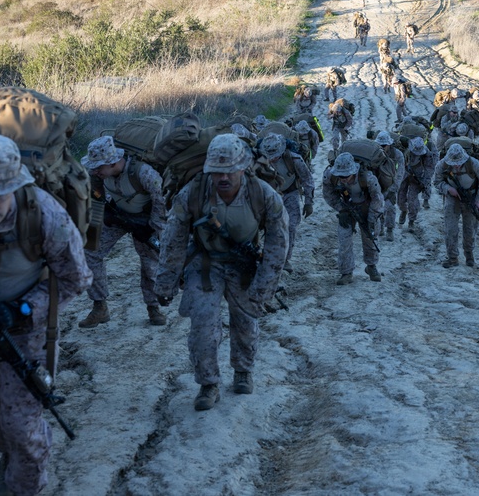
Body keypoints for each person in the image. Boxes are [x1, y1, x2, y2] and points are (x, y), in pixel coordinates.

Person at [0, 134, 91, 495]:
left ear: (17, 186)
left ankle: (26, 469)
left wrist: (20, 310)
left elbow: (75, 279)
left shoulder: (43, 213)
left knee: (22, 427)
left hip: (22, 326)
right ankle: (19, 453)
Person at [153, 135, 288, 409]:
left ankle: (242, 370)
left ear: (243, 168)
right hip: (205, 263)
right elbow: (173, 238)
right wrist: (165, 282)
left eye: (229, 171)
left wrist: (265, 287)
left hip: (244, 265)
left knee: (245, 322)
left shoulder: (263, 195)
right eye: (216, 171)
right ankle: (208, 383)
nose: (223, 177)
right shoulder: (193, 192)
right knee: (202, 324)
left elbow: (278, 243)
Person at [80, 135, 167, 328]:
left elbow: (161, 198)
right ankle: (99, 307)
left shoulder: (143, 173)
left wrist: (155, 229)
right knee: (90, 252)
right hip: (118, 217)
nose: (94, 170)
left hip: (145, 223)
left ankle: (154, 309)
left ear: (112, 163)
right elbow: (96, 198)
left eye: (99, 166)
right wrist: (100, 219)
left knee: (149, 264)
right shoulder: (98, 175)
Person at [322, 152, 384, 285]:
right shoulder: (330, 176)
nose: (343, 179)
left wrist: (372, 219)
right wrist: (341, 209)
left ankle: (371, 266)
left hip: (367, 208)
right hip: (346, 208)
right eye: (340, 176)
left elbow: (377, 199)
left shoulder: (368, 178)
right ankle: (346, 272)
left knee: (370, 237)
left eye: (346, 175)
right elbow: (328, 194)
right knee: (344, 239)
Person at [258, 134, 313, 274]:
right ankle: (268, 258)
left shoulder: (294, 159)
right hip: (269, 197)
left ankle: (286, 260)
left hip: (291, 193)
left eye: (275, 156)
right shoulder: (259, 162)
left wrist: (308, 202)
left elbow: (307, 179)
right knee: (270, 228)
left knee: (291, 227)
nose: (273, 159)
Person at [434, 143, 479, 268]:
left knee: (469, 229)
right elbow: (437, 182)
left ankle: (469, 255)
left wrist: (478, 201)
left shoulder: (475, 164)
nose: (457, 166)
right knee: (450, 228)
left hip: (471, 197)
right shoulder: (442, 165)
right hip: (452, 198)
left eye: (459, 162)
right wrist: (448, 188)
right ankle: (452, 257)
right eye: (454, 163)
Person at [374, 132, 404, 243]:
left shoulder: (397, 155)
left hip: (391, 184)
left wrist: (394, 188)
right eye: (380, 145)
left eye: (384, 145)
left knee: (390, 207)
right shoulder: (374, 153)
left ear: (389, 144)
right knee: (377, 207)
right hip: (377, 184)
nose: (382, 147)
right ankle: (380, 226)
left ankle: (390, 229)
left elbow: (400, 173)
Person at [399, 137, 434, 232]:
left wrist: (425, 183)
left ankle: (411, 221)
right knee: (401, 198)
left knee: (412, 200)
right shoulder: (405, 151)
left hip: (417, 179)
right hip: (405, 176)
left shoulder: (427, 155)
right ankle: (403, 210)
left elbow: (429, 170)